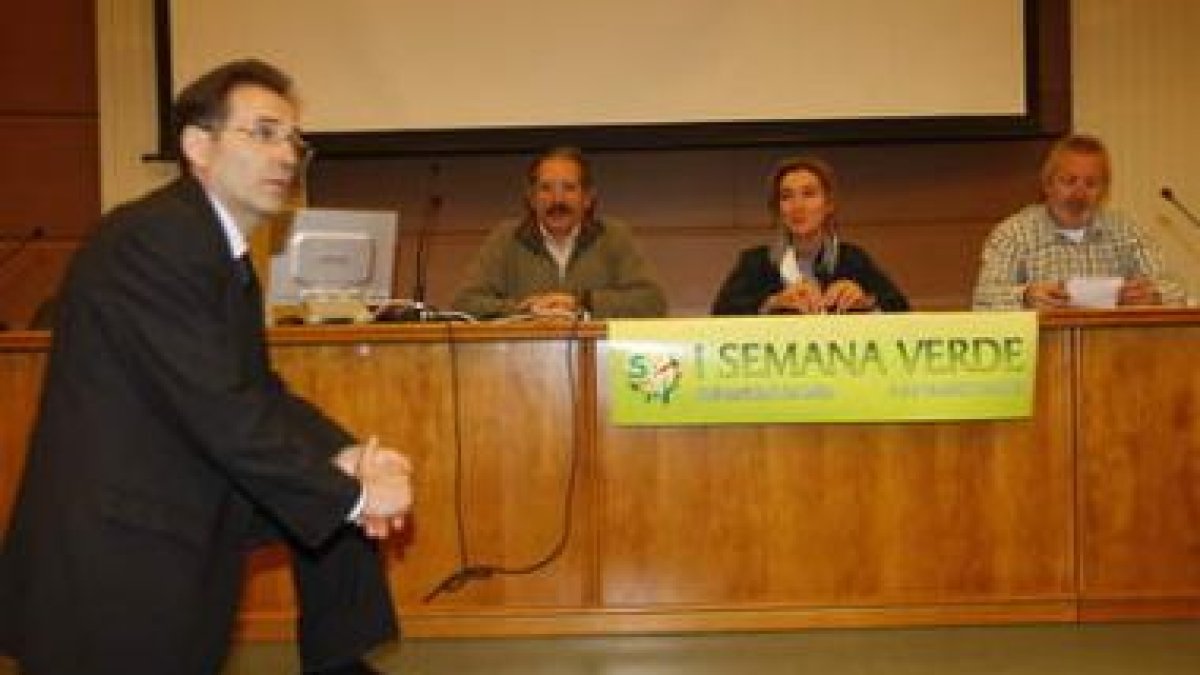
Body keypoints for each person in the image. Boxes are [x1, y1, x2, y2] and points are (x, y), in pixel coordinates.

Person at [0, 60, 411, 675]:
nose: (286, 156)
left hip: (170, 494)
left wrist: (347, 454)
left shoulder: (215, 246)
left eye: (294, 140)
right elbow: (221, 409)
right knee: (329, 509)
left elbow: (256, 390)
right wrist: (355, 496)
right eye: (264, 133)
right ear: (198, 145)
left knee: (327, 514)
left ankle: (338, 662)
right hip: (116, 541)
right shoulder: (158, 239)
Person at [972, 134, 1186, 310]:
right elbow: (983, 300)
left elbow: (1176, 291)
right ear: (1048, 183)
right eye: (1069, 181)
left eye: (1091, 184)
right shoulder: (1014, 234)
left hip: (1114, 351)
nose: (1079, 193)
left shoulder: (1128, 232)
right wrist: (1025, 297)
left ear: (1104, 191)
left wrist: (1154, 296)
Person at [450, 146, 667, 319]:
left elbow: (652, 303)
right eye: (546, 189)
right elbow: (464, 304)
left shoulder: (613, 236)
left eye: (569, 188)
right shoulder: (506, 238)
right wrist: (525, 310)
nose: (558, 200)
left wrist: (582, 303)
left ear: (588, 198)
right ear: (532, 199)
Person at [711, 156, 908, 315]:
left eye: (809, 194)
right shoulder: (755, 263)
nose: (798, 206)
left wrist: (866, 301)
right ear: (777, 209)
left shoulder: (854, 260)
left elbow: (902, 312)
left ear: (829, 204)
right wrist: (771, 303)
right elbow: (720, 315)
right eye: (787, 196)